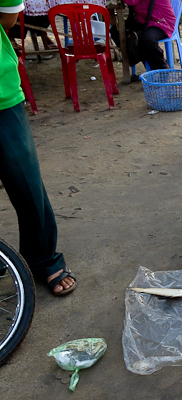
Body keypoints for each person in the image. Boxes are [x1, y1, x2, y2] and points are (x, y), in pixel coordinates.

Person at [0, 0, 77, 295]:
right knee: (26, 184)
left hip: (2, 98)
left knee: (26, 183)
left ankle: (43, 260)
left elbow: (9, 15)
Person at [123, 0, 175, 71]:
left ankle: (162, 68)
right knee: (119, 32)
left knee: (148, 39)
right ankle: (141, 58)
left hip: (161, 22)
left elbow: (131, 1)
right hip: (145, 21)